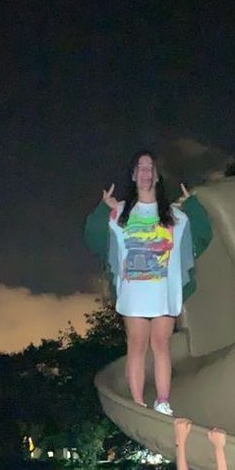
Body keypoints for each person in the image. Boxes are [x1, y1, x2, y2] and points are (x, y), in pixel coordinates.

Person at [84, 150, 212, 415]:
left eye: (150, 168)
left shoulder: (173, 214)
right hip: (134, 291)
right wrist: (101, 209)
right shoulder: (120, 212)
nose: (145, 172)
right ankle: (139, 403)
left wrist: (194, 207)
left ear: (156, 175)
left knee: (161, 344)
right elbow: (93, 236)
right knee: (137, 345)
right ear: (133, 175)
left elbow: (202, 235)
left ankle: (163, 402)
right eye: (140, 168)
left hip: (163, 289)